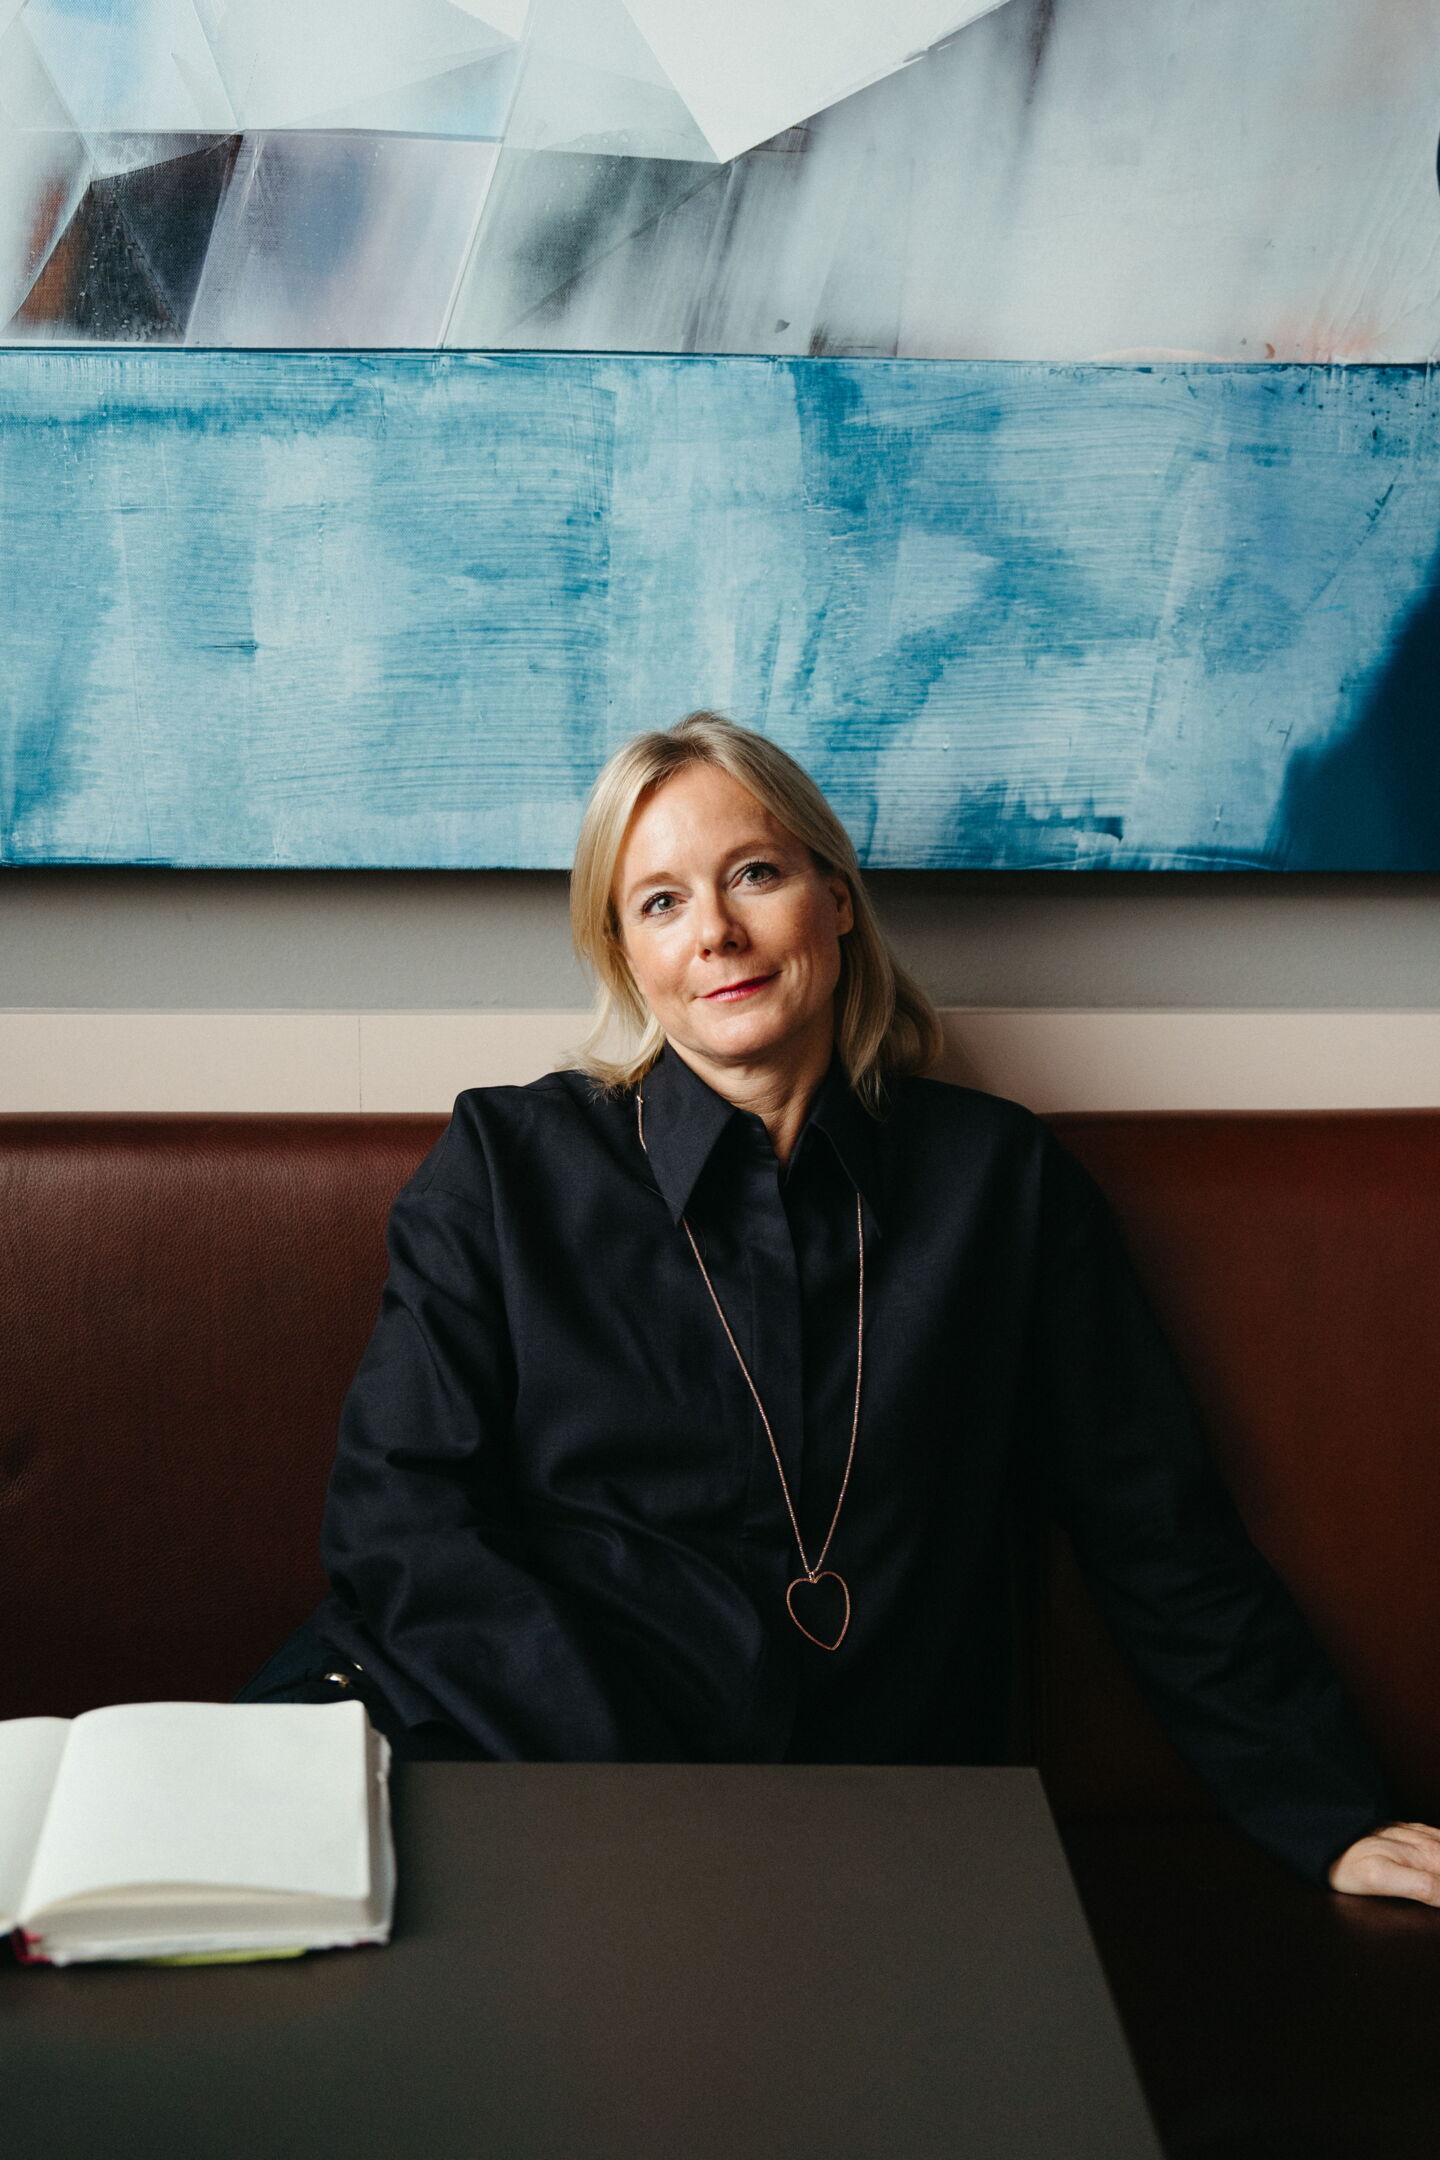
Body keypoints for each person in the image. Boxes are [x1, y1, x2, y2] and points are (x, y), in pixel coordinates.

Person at [240, 712, 1440, 1905]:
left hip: (862, 1823)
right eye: (660, 903)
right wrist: (642, 1794)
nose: (715, 932)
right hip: (502, 1756)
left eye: (754, 874)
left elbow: (1157, 1529)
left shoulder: (1002, 1186)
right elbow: (401, 1525)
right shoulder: (506, 1167)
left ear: (838, 898)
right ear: (624, 955)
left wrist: (1329, 1811)